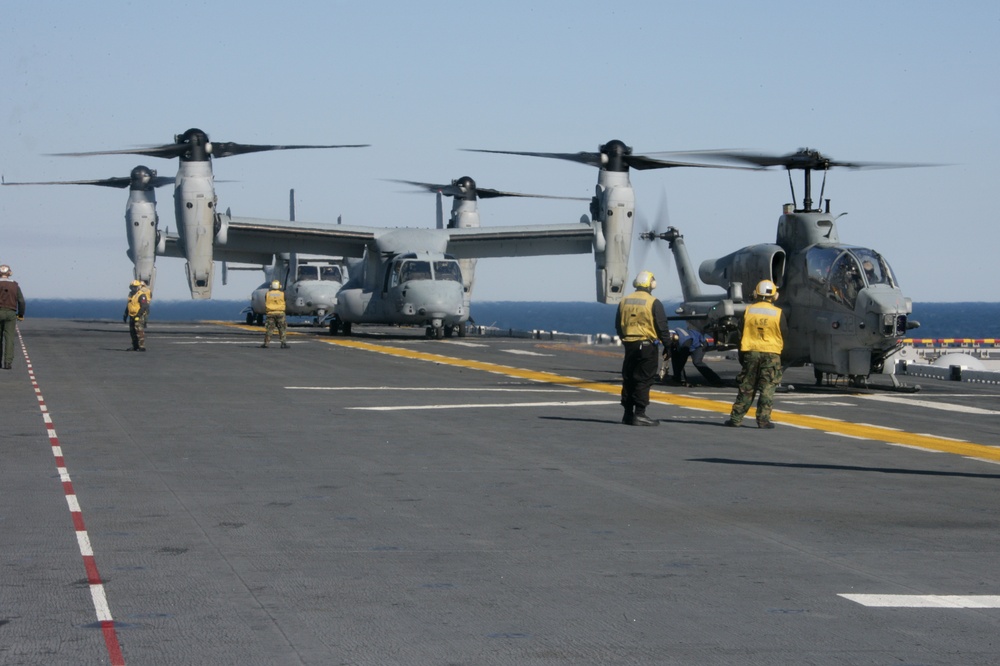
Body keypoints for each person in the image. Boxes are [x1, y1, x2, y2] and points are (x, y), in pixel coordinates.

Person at [725, 279, 785, 429]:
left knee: (747, 385)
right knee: (767, 387)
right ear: (775, 296)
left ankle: (736, 419)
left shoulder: (748, 311)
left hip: (751, 352)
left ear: (755, 294)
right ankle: (763, 420)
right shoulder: (778, 313)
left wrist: (742, 354)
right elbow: (785, 334)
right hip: (771, 353)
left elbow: (740, 334)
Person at [615, 270, 672, 426]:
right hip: (647, 346)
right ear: (651, 283)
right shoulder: (653, 302)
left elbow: (618, 326)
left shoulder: (624, 301)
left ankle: (627, 414)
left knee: (629, 378)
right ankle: (640, 414)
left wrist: (626, 340)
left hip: (629, 344)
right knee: (644, 379)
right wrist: (668, 346)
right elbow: (662, 327)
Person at [0, 264, 26, 370]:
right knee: (9, 338)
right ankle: (8, 363)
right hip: (11, 313)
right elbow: (21, 301)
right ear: (9, 273)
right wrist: (21, 314)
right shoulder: (15, 286)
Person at [123, 279, 149, 351]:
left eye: (135, 287)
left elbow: (144, 306)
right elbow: (129, 305)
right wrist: (125, 314)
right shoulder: (131, 295)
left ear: (138, 287)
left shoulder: (141, 295)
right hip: (131, 315)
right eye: (132, 287)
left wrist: (138, 315)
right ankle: (135, 346)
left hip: (138, 316)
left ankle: (141, 346)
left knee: (139, 331)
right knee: (132, 332)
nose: (134, 288)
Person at [261, 280, 289, 349]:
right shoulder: (283, 294)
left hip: (270, 313)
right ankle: (283, 343)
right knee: (282, 329)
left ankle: (266, 343)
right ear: (279, 286)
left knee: (269, 329)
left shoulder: (267, 294)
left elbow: (266, 300)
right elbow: (285, 300)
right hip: (280, 313)